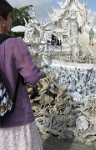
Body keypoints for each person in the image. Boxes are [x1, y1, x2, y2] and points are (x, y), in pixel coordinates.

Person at [0, 1, 43, 149]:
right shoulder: (15, 44)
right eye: (10, 16)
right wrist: (41, 71)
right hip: (16, 117)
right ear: (2, 20)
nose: (12, 19)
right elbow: (32, 77)